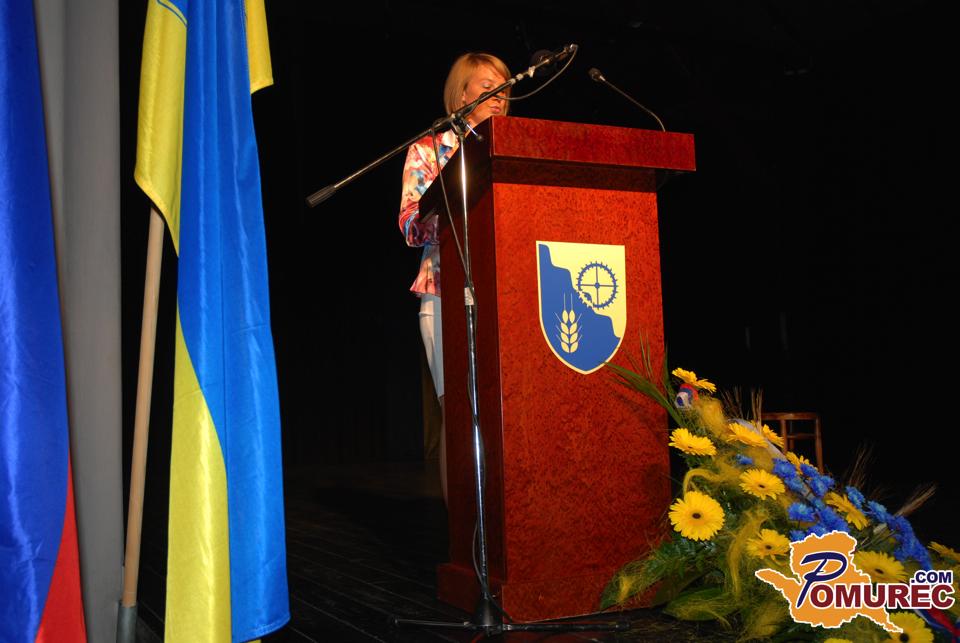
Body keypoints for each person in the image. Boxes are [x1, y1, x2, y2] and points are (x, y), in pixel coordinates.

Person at [398, 52, 510, 502]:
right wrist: (448, 203)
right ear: (461, 95)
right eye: (487, 87)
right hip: (445, 291)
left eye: (504, 87)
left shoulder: (514, 150)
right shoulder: (429, 150)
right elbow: (411, 225)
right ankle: (463, 528)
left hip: (508, 290)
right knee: (460, 415)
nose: (499, 96)